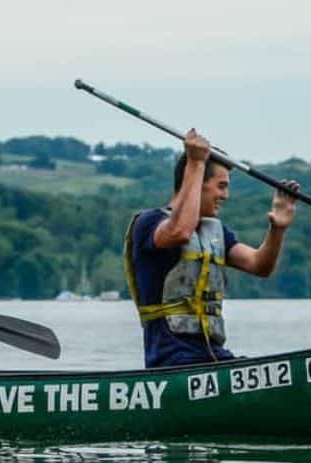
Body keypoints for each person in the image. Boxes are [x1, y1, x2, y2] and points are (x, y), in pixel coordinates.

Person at [124, 129, 299, 368]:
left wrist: (278, 228)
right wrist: (196, 162)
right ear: (196, 180)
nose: (226, 196)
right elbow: (180, 232)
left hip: (215, 356)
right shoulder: (149, 223)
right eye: (221, 186)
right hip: (172, 361)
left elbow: (260, 265)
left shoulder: (215, 232)